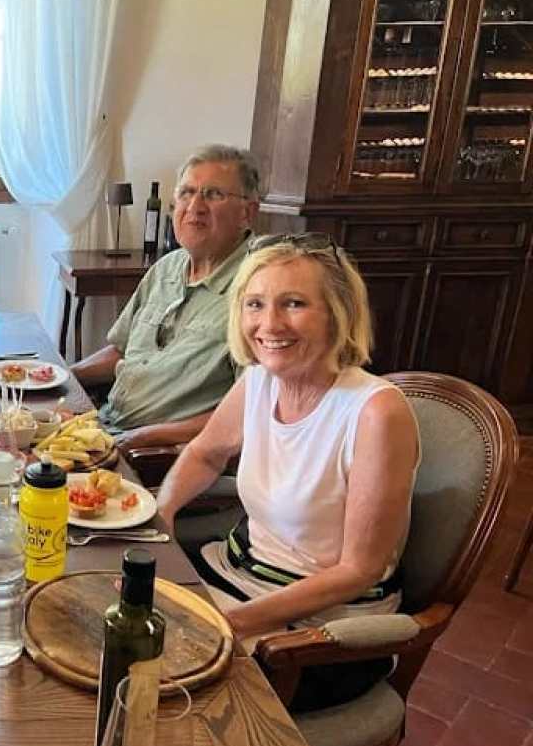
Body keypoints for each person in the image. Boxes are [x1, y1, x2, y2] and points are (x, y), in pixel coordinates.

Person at [156, 234, 420, 712]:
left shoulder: (376, 413)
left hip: (320, 634)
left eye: (294, 304)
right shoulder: (258, 381)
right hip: (237, 575)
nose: (269, 324)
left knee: (160, 688)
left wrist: (230, 622)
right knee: (118, 611)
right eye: (254, 304)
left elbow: (357, 571)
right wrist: (163, 512)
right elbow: (204, 453)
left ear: (339, 313)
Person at [72, 144, 260, 450]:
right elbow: (120, 352)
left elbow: (249, 415)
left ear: (247, 213)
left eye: (213, 195)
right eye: (186, 193)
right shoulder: (167, 267)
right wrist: (64, 376)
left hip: (157, 455)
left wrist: (144, 438)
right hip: (105, 425)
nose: (195, 206)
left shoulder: (259, 292)